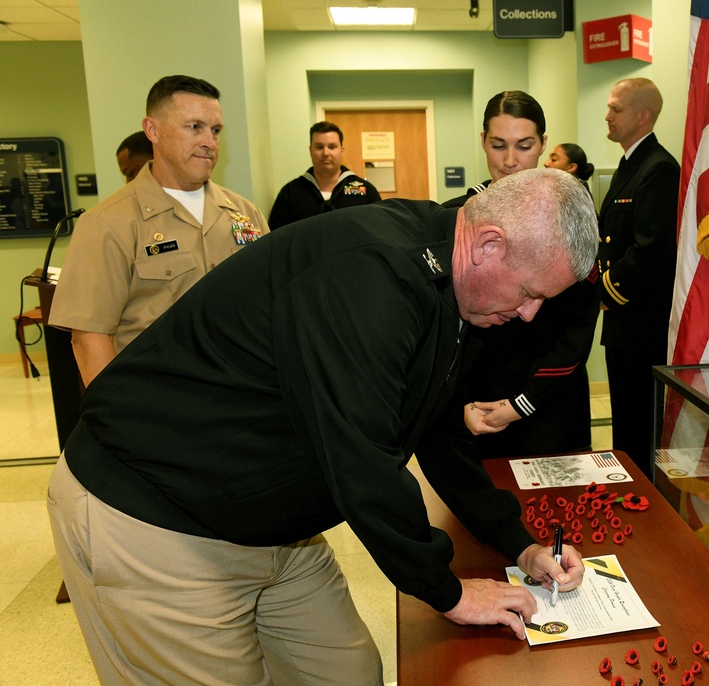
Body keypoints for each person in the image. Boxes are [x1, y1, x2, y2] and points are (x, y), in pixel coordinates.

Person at [47, 167, 596, 686]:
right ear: (489, 243)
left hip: (274, 524)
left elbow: (432, 426)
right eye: (531, 293)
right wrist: (447, 591)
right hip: (158, 515)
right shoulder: (370, 274)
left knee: (348, 674)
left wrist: (516, 543)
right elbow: (363, 458)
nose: (530, 316)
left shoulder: (457, 289)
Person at [49, 75, 268, 387]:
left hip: (245, 398)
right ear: (152, 130)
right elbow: (89, 338)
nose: (209, 141)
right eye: (194, 127)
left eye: (215, 130)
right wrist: (121, 420)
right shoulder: (108, 224)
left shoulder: (245, 213)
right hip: (161, 407)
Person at [447, 91, 600, 457]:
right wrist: (455, 401)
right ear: (482, 141)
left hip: (549, 402)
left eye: (525, 145)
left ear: (544, 144)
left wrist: (522, 404)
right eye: (498, 145)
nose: (510, 161)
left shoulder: (573, 219)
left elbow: (578, 329)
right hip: (476, 403)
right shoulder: (457, 216)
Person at [598, 78, 680, 479]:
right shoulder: (631, 164)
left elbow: (650, 250)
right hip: (622, 320)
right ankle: (624, 484)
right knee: (624, 419)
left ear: (642, 116)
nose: (608, 116)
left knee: (639, 421)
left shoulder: (659, 168)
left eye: (616, 109)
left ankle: (643, 497)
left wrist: (604, 290)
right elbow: (609, 238)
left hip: (641, 321)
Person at [268, 121, 381, 229]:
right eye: (319, 147)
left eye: (332, 147)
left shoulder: (366, 191)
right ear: (310, 150)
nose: (326, 153)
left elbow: (380, 231)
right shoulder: (291, 193)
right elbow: (275, 238)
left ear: (342, 151)